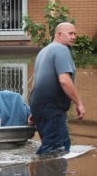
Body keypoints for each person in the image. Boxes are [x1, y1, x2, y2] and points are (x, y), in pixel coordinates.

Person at [29, 22, 85, 156]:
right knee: (55, 149)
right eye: (70, 33)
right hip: (51, 107)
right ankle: (42, 171)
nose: (74, 37)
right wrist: (79, 103)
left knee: (61, 145)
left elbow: (36, 83)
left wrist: (35, 109)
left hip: (40, 105)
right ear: (59, 35)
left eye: (75, 34)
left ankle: (43, 175)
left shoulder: (44, 51)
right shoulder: (62, 50)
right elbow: (64, 80)